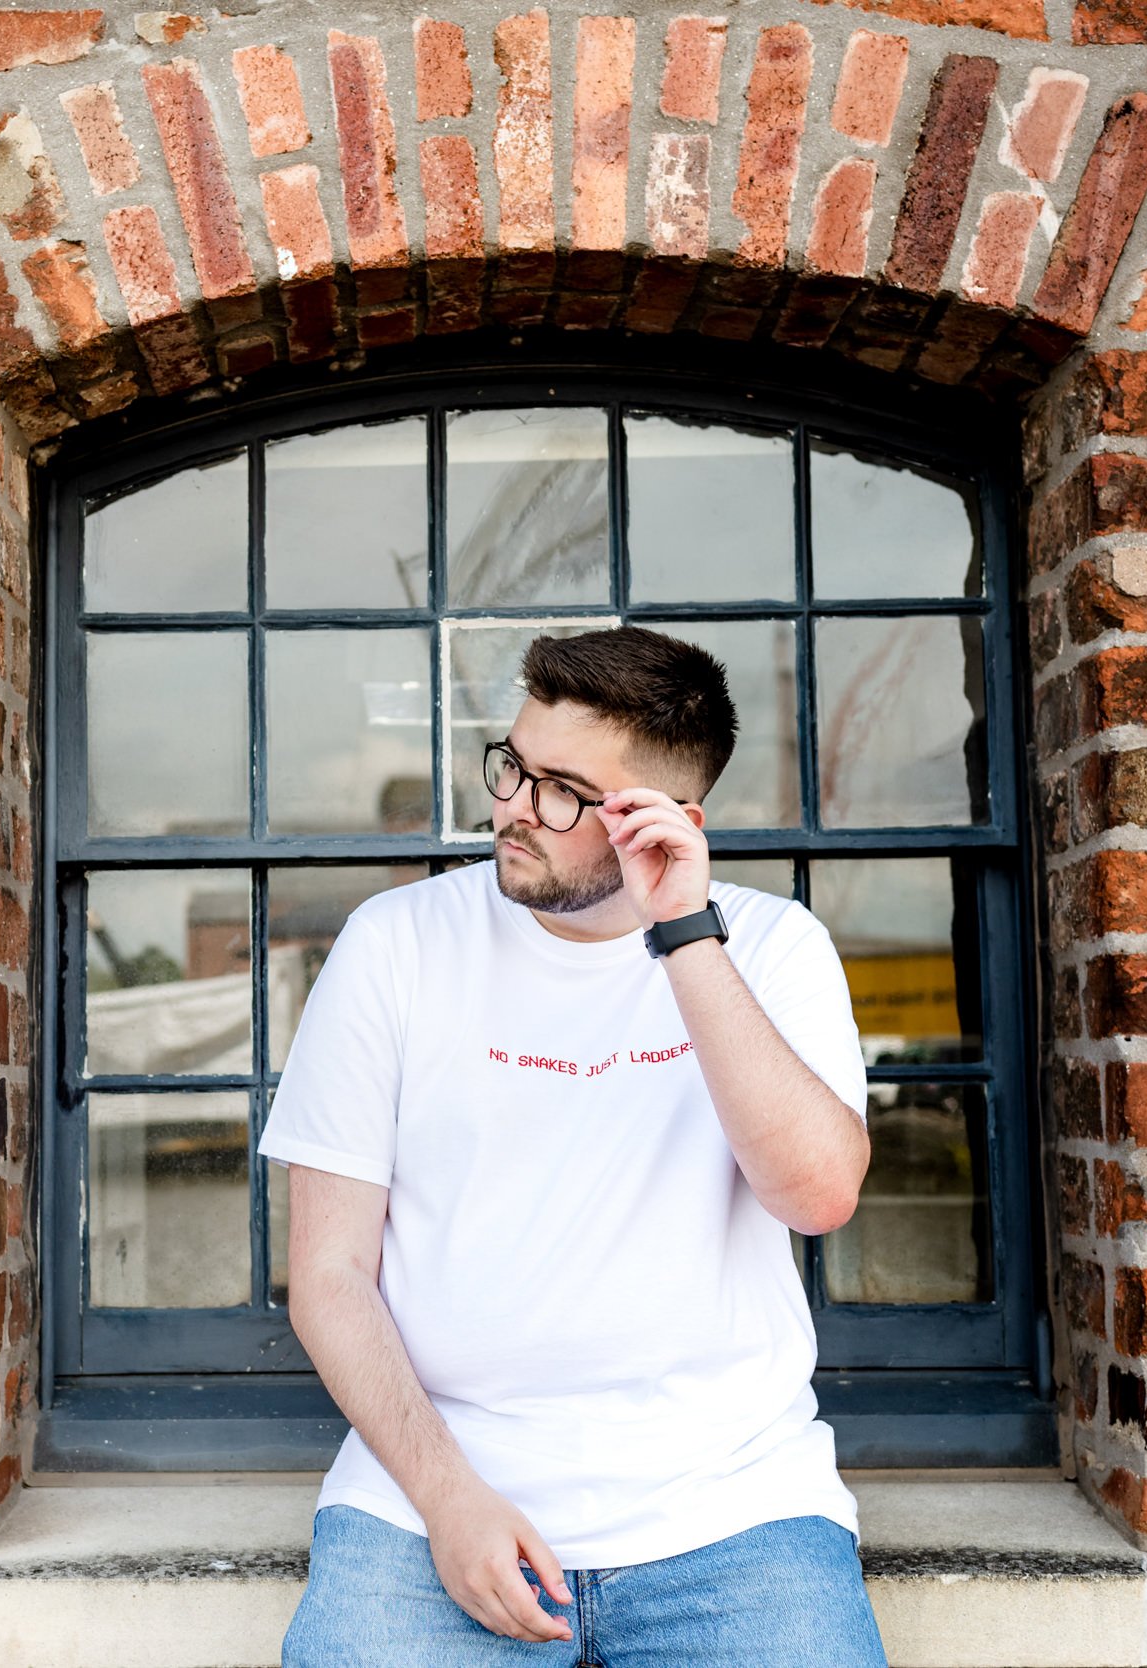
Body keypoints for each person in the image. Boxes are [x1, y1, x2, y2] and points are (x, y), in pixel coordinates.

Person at [255, 624, 888, 1666]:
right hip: (428, 1504)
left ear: (667, 820)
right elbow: (327, 1275)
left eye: (561, 791)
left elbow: (816, 1195)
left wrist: (682, 929)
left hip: (728, 1510)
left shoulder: (770, 947)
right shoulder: (396, 945)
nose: (510, 808)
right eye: (511, 766)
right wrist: (450, 1500)